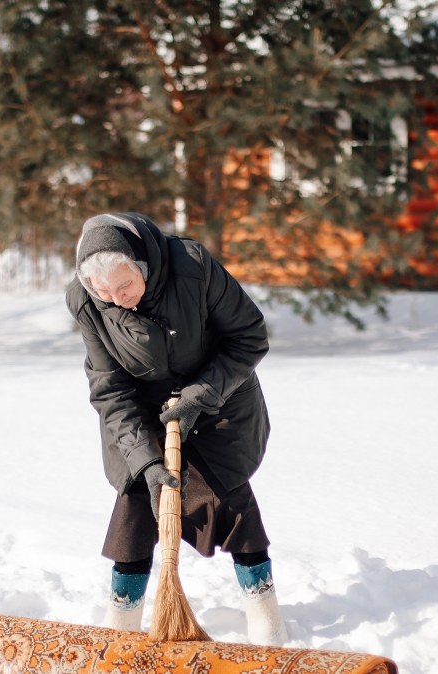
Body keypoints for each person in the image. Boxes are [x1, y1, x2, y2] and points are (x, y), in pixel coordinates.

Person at [65, 211, 287, 646]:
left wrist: (200, 396)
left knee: (229, 496)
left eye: (124, 286)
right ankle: (122, 620)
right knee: (134, 503)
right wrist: (145, 459)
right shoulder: (87, 300)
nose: (116, 299)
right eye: (103, 290)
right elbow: (110, 389)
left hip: (219, 395)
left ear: (143, 266)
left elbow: (249, 336)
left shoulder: (192, 266)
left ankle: (265, 615)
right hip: (144, 413)